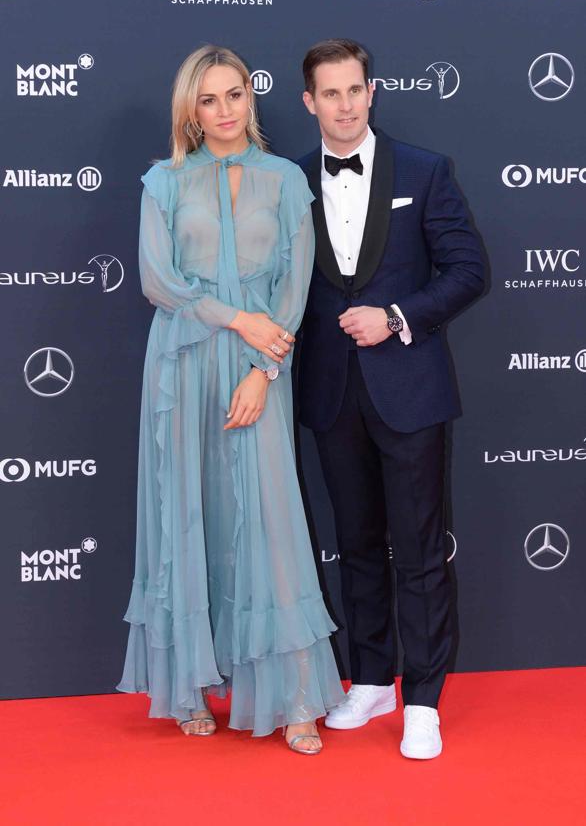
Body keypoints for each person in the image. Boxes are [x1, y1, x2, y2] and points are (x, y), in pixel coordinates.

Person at [117, 45, 344, 755]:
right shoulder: (164, 182)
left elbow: (294, 287)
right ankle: (189, 685)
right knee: (187, 516)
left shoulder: (286, 182)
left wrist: (261, 369)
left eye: (235, 95)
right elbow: (159, 281)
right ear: (191, 108)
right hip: (182, 367)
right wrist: (234, 319)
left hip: (259, 369)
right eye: (208, 99)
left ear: (253, 97)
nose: (223, 111)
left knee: (270, 524)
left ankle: (297, 696)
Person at [297, 39, 485, 759]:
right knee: (355, 545)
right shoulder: (291, 183)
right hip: (330, 390)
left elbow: (468, 269)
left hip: (409, 388)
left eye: (355, 90)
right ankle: (371, 679)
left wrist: (398, 317)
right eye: (330, 94)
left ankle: (425, 699)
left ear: (372, 92)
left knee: (420, 551)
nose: (345, 105)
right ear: (310, 102)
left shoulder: (425, 170)